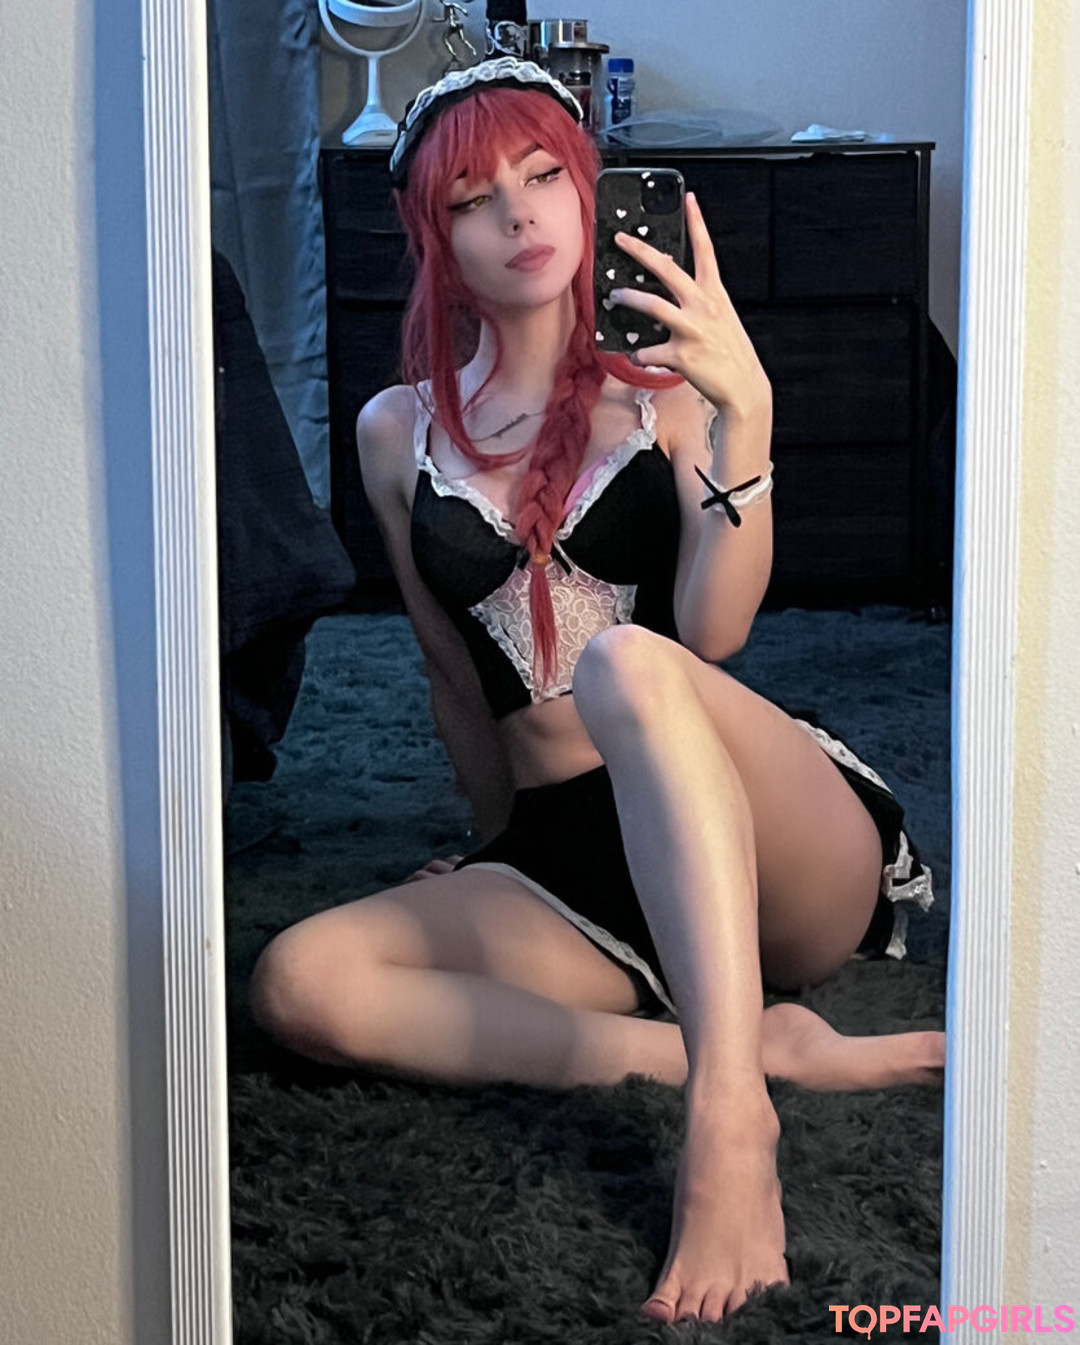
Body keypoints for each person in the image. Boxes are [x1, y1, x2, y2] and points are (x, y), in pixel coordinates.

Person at [250, 57, 943, 1324]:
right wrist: (489, 850)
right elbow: (452, 675)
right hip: (569, 858)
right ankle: (735, 1044)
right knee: (303, 983)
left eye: (543, 178)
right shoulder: (397, 431)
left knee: (628, 658)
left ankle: (729, 1118)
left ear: (590, 192)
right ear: (433, 231)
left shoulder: (667, 394)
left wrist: (747, 415)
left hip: (761, 831)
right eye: (474, 197)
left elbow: (716, 632)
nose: (519, 216)